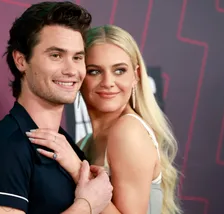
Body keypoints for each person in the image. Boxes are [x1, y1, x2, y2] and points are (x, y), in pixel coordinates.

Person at [0, 2, 113, 214]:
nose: (71, 70)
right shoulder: (3, 149)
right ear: (21, 60)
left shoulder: (66, 145)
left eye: (77, 57)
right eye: (56, 55)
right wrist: (87, 206)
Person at [28, 25, 182, 214]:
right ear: (80, 76)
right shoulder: (84, 143)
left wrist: (77, 169)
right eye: (94, 71)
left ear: (136, 75)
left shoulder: (128, 131)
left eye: (119, 71)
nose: (108, 82)